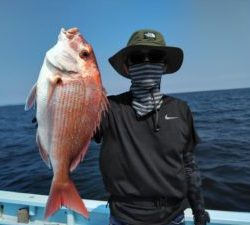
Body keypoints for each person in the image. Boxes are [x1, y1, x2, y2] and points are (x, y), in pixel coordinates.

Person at [94, 29, 210, 225]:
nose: (147, 62)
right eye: (138, 57)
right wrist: (55, 107)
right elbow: (73, 130)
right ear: (127, 67)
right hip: (124, 218)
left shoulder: (181, 109)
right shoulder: (107, 109)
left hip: (173, 217)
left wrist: (198, 209)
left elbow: (189, 165)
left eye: (155, 56)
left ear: (163, 65)